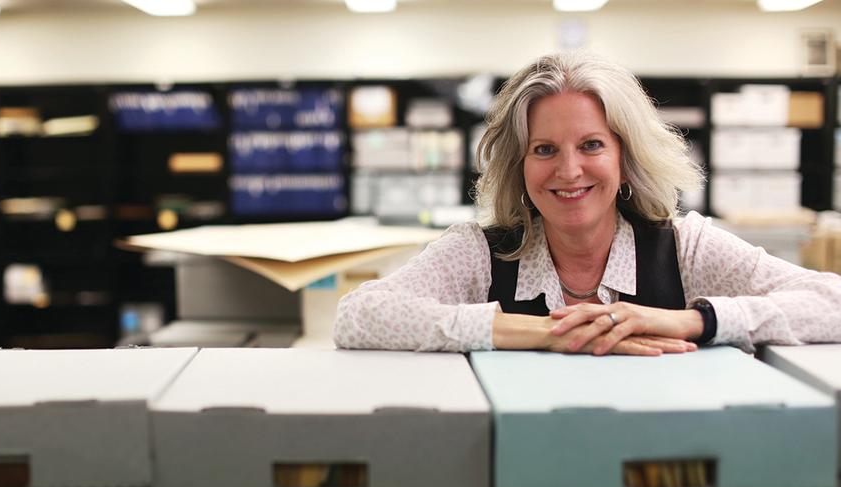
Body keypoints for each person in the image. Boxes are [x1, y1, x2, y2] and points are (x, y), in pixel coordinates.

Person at [333, 51, 841, 355]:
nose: (569, 171)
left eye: (592, 145)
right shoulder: (479, 253)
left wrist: (694, 320)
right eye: (544, 149)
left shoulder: (685, 246)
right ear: (520, 165)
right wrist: (540, 333)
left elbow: (832, 303)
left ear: (625, 155)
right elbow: (358, 316)